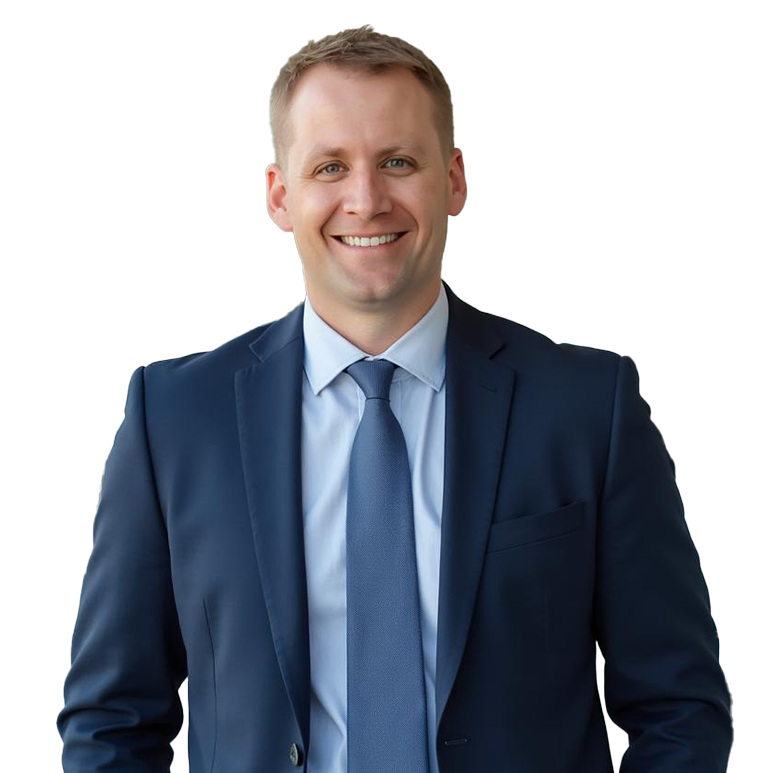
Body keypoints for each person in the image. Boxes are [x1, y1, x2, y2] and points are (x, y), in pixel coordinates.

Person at [58, 24, 733, 773]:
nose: (366, 198)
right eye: (329, 166)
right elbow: (111, 719)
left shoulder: (586, 407)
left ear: (452, 179)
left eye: (398, 161)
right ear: (281, 196)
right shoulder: (175, 418)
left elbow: (679, 708)